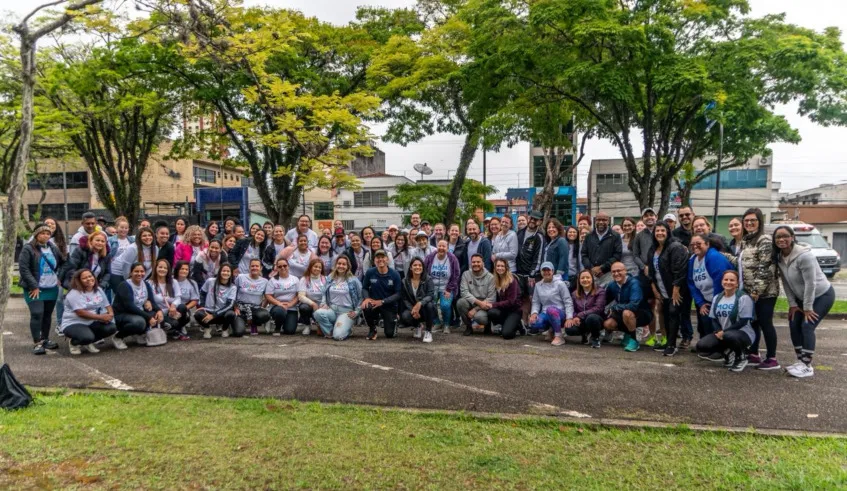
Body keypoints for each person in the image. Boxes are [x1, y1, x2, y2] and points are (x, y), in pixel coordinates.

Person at [774, 225, 836, 378]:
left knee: (807, 325)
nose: (781, 239)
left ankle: (807, 366)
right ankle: (800, 361)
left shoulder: (804, 256)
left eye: (785, 236)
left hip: (822, 295)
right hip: (801, 298)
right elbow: (786, 283)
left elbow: (811, 283)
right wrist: (793, 305)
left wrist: (808, 308)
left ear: (792, 237)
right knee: (794, 323)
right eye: (778, 237)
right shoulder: (779, 257)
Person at [740, 208, 781, 370]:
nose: (749, 223)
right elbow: (743, 263)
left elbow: (766, 267)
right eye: (746, 220)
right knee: (754, 323)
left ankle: (772, 358)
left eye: (753, 220)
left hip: (766, 293)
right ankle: (754, 354)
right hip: (750, 292)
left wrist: (756, 291)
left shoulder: (764, 240)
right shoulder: (746, 240)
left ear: (759, 222)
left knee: (765, 323)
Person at [19, 223, 66, 355]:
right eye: (42, 233)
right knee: (37, 313)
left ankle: (45, 339)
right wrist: (34, 286)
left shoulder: (53, 247)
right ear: (36, 234)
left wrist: (60, 277)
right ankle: (37, 343)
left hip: (51, 287)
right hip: (34, 288)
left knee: (47, 315)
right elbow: (24, 269)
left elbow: (64, 263)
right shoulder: (28, 248)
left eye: (48, 233)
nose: (45, 236)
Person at [696, 270, 755, 372]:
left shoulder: (743, 298)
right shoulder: (717, 297)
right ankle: (728, 353)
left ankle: (741, 357)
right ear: (722, 282)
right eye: (726, 279)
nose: (728, 282)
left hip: (743, 334)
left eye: (732, 280)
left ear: (737, 283)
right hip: (724, 333)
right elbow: (714, 319)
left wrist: (724, 332)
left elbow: (743, 321)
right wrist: (719, 331)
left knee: (729, 336)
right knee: (702, 345)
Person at [648, 222, 690, 356]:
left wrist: (676, 290)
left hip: (676, 288)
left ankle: (672, 345)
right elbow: (651, 272)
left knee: (673, 312)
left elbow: (680, 270)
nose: (660, 233)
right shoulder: (653, 249)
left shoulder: (675, 247)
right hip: (662, 288)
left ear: (668, 232)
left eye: (662, 230)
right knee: (665, 313)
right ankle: (667, 342)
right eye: (657, 231)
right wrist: (655, 289)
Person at [688, 233, 734, 351]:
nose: (695, 246)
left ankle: (722, 350)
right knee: (706, 322)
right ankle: (708, 347)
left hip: (722, 298)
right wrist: (701, 303)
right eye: (692, 244)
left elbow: (719, 282)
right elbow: (691, 282)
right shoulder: (693, 259)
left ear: (707, 244)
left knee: (719, 325)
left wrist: (714, 304)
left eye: (698, 244)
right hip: (706, 299)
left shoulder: (714, 257)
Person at [60, 269, 117, 355]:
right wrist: (101, 317)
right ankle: (74, 343)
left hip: (91, 321)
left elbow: (107, 305)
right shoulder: (74, 293)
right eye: (84, 278)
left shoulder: (98, 289)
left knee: (111, 328)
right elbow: (80, 313)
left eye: (90, 276)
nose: (89, 279)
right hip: (73, 323)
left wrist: (110, 315)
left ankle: (87, 342)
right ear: (78, 281)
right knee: (87, 337)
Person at [603, 262, 652, 352]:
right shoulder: (612, 285)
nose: (616, 273)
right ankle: (628, 333)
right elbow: (604, 301)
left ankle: (634, 341)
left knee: (627, 313)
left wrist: (615, 307)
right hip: (622, 313)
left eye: (619, 271)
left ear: (625, 271)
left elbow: (633, 305)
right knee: (608, 324)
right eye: (613, 271)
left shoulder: (634, 283)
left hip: (642, 314)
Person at [112, 262, 161, 349]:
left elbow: (152, 301)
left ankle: (138, 334)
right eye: (136, 271)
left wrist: (159, 310)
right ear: (131, 273)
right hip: (122, 314)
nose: (139, 274)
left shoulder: (146, 284)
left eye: (142, 271)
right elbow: (129, 306)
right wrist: (148, 317)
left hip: (137, 312)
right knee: (140, 322)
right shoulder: (124, 285)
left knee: (155, 315)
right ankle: (118, 337)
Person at [314, 255, 362, 340]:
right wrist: (324, 303)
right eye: (339, 263)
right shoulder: (330, 277)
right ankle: (330, 331)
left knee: (338, 336)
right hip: (332, 310)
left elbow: (361, 296)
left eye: (344, 264)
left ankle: (344, 329)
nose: (341, 266)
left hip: (346, 312)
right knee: (318, 313)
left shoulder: (354, 280)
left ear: (348, 266)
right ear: (336, 265)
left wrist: (357, 311)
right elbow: (324, 291)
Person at [632, 208, 660, 346]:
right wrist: (643, 267)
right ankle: (652, 336)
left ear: (656, 217)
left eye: (651, 215)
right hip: (644, 275)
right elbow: (635, 255)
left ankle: (665, 337)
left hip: (660, 275)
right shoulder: (639, 236)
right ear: (642, 219)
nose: (649, 217)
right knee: (649, 306)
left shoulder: (661, 232)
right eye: (646, 216)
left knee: (662, 306)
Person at [528, 262, 574, 346]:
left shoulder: (560, 284)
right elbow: (536, 302)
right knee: (534, 323)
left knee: (551, 310)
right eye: (544, 270)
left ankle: (559, 335)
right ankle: (551, 329)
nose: (546, 272)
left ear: (552, 271)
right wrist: (534, 313)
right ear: (541, 272)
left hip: (560, 313)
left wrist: (569, 317)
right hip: (546, 313)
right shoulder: (538, 285)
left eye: (548, 270)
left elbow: (568, 301)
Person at [361, 249, 402, 340]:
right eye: (378, 257)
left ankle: (393, 320)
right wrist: (366, 298)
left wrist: (383, 301)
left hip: (389, 305)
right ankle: (372, 329)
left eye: (383, 257)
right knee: (366, 306)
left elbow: (398, 294)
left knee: (389, 334)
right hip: (374, 302)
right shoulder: (370, 272)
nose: (380, 259)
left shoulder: (395, 274)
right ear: (374, 260)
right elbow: (364, 288)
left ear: (387, 259)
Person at [423, 239, 460, 333]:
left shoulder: (452, 258)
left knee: (445, 305)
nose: (441, 248)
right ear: (437, 247)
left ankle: (446, 324)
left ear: (447, 248)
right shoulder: (430, 257)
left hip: (447, 287)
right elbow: (424, 272)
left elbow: (456, 275)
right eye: (439, 246)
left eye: (444, 246)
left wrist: (449, 289)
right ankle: (437, 323)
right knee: (431, 304)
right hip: (432, 287)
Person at [147, 258, 190, 340]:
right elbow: (150, 301)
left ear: (168, 270)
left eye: (165, 268)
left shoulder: (173, 282)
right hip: (159, 312)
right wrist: (158, 311)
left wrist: (173, 305)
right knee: (173, 323)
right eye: (160, 267)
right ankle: (168, 328)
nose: (162, 269)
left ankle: (177, 330)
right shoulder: (150, 283)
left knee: (183, 308)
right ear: (155, 268)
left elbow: (178, 298)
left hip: (171, 311)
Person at [516, 211, 546, 325]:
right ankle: (524, 323)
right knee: (521, 299)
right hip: (519, 273)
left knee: (533, 299)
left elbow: (539, 258)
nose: (533, 221)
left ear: (540, 221)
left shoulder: (539, 237)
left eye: (536, 219)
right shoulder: (520, 232)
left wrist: (532, 274)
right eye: (531, 218)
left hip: (532, 275)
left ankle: (536, 324)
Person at [564, 270, 607, 348]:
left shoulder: (600, 291)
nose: (585, 279)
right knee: (569, 328)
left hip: (596, 319)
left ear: (592, 279)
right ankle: (585, 334)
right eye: (582, 278)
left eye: (588, 277)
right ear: (579, 280)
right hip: (581, 320)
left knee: (592, 318)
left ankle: (595, 338)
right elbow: (572, 308)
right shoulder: (574, 293)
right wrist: (574, 317)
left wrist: (580, 315)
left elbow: (598, 308)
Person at [195, 264, 239, 338]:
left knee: (231, 314)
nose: (225, 273)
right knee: (197, 314)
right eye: (223, 271)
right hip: (208, 311)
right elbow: (202, 293)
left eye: (228, 271)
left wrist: (214, 315)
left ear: (231, 273)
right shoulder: (210, 281)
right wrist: (202, 306)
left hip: (222, 313)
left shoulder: (233, 287)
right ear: (219, 272)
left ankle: (225, 329)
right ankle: (207, 328)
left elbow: (229, 305)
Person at [457, 254, 497, 335]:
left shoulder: (490, 277)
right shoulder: (466, 274)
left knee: (479, 317)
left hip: (484, 306)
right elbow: (464, 292)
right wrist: (478, 303)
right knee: (460, 302)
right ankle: (468, 327)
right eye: (473, 262)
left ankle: (487, 326)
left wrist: (476, 309)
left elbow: (491, 298)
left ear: (483, 263)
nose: (475, 264)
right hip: (471, 302)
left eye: (478, 262)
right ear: (470, 263)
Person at [399, 257, 436, 343]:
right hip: (412, 307)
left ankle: (428, 331)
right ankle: (417, 326)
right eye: (415, 265)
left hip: (425, 308)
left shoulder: (428, 279)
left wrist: (420, 303)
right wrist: (413, 309)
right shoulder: (405, 281)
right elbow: (404, 298)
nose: (417, 267)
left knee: (429, 305)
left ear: (423, 268)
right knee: (405, 316)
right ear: (411, 267)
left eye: (420, 265)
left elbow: (430, 295)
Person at [581, 212, 622, 287]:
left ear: (608, 221)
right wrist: (591, 268)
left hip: (608, 274)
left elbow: (617, 255)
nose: (601, 222)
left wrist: (602, 268)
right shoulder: (589, 236)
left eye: (604, 220)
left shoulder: (615, 236)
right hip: (591, 273)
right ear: (595, 221)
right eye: (598, 220)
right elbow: (584, 254)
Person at [233, 258, 271, 336]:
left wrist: (263, 307)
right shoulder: (240, 277)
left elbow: (267, 296)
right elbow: (233, 293)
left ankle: (254, 323)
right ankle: (240, 322)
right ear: (249, 267)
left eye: (257, 266)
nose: (254, 268)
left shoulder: (265, 281)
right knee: (238, 332)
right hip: (241, 308)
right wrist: (235, 307)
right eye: (252, 266)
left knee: (265, 315)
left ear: (261, 268)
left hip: (255, 308)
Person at [487, 258, 523, 339]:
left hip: (514, 310)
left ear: (506, 267)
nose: (500, 268)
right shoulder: (495, 280)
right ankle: (506, 324)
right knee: (491, 312)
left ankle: (518, 325)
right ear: (495, 267)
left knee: (507, 335)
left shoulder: (512, 281)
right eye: (498, 266)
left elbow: (511, 302)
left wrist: (493, 305)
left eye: (502, 266)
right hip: (503, 310)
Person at [265, 257, 301, 336]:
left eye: (285, 266)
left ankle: (284, 323)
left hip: (291, 307)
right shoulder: (272, 280)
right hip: (277, 307)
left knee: (290, 331)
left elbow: (298, 295)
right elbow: (268, 295)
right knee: (280, 312)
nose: (282, 268)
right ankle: (277, 326)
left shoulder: (295, 279)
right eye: (280, 266)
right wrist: (279, 304)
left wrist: (290, 304)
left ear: (288, 266)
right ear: (277, 268)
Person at [297, 258, 327, 335]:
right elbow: (301, 296)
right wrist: (313, 304)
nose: (317, 269)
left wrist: (323, 305)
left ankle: (320, 325)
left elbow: (328, 295)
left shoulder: (325, 279)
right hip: (310, 305)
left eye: (320, 267)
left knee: (322, 333)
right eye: (315, 266)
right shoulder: (304, 279)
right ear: (310, 267)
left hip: (322, 306)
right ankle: (307, 325)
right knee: (303, 307)